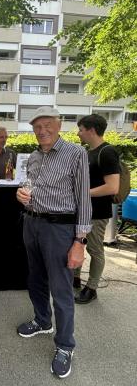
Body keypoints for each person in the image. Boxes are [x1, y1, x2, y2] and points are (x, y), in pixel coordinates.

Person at [16, 106, 92, 379]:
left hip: (60, 229)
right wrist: (22, 195)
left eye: (47, 124)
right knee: (35, 279)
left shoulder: (76, 154)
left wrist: (80, 241)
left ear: (59, 125)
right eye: (37, 126)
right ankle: (42, 320)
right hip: (32, 223)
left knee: (61, 289)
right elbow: (30, 186)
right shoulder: (34, 156)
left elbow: (84, 199)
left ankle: (65, 345)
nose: (42, 130)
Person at [74, 114, 120, 303]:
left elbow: (112, 187)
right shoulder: (88, 151)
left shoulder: (107, 152)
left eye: (81, 129)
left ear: (91, 130)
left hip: (97, 212)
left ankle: (91, 288)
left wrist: (83, 193)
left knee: (94, 249)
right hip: (83, 210)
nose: (78, 134)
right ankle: (74, 279)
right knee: (76, 244)